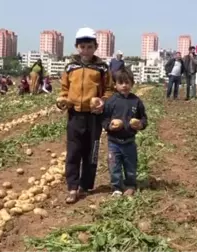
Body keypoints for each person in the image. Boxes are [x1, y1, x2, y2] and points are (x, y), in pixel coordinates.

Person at [56, 27, 114, 204]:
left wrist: (102, 101)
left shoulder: (102, 68)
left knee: (92, 151)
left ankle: (86, 185)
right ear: (77, 47)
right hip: (75, 115)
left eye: (89, 47)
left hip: (94, 116)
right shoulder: (70, 67)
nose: (86, 50)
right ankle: (72, 187)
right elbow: (64, 89)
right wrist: (63, 101)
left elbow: (109, 90)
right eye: (82, 47)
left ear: (95, 47)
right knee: (73, 151)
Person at [102, 67, 148, 196]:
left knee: (130, 165)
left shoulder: (136, 101)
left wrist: (140, 124)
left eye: (127, 83)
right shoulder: (111, 101)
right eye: (121, 83)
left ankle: (130, 185)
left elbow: (144, 118)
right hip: (114, 142)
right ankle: (116, 187)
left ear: (132, 84)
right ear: (115, 85)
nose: (124, 86)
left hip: (129, 141)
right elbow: (104, 118)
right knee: (114, 165)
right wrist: (109, 126)